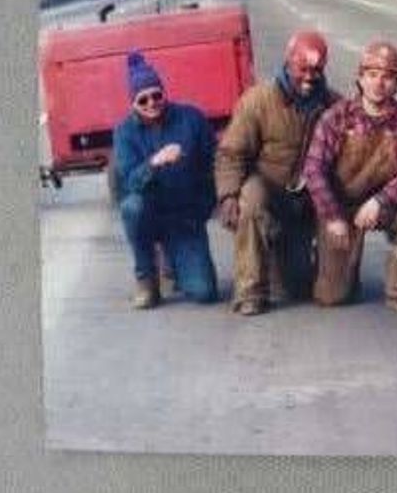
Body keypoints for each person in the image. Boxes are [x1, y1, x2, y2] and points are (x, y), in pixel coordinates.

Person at [214, 30, 338, 316]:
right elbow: (232, 152)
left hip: (305, 198)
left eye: (316, 70)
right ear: (288, 63)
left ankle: (282, 255)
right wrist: (228, 194)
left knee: (297, 287)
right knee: (251, 198)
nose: (309, 77)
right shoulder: (257, 100)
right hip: (267, 188)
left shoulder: (332, 105)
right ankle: (250, 291)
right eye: (302, 69)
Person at [302, 41, 397, 316]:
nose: (378, 84)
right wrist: (332, 216)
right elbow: (313, 169)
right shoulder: (336, 117)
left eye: (387, 77)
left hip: (383, 205)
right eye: (372, 75)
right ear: (360, 78)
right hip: (340, 207)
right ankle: (334, 266)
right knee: (332, 296)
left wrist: (381, 202)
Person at [113, 52, 218, 309]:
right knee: (132, 207)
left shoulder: (192, 118)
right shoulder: (124, 132)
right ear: (133, 103)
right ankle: (146, 277)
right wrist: (154, 162)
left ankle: (174, 260)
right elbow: (129, 183)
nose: (152, 103)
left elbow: (214, 163)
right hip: (151, 214)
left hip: (185, 217)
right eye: (143, 99)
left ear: (164, 92)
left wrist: (205, 207)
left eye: (156, 95)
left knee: (204, 292)